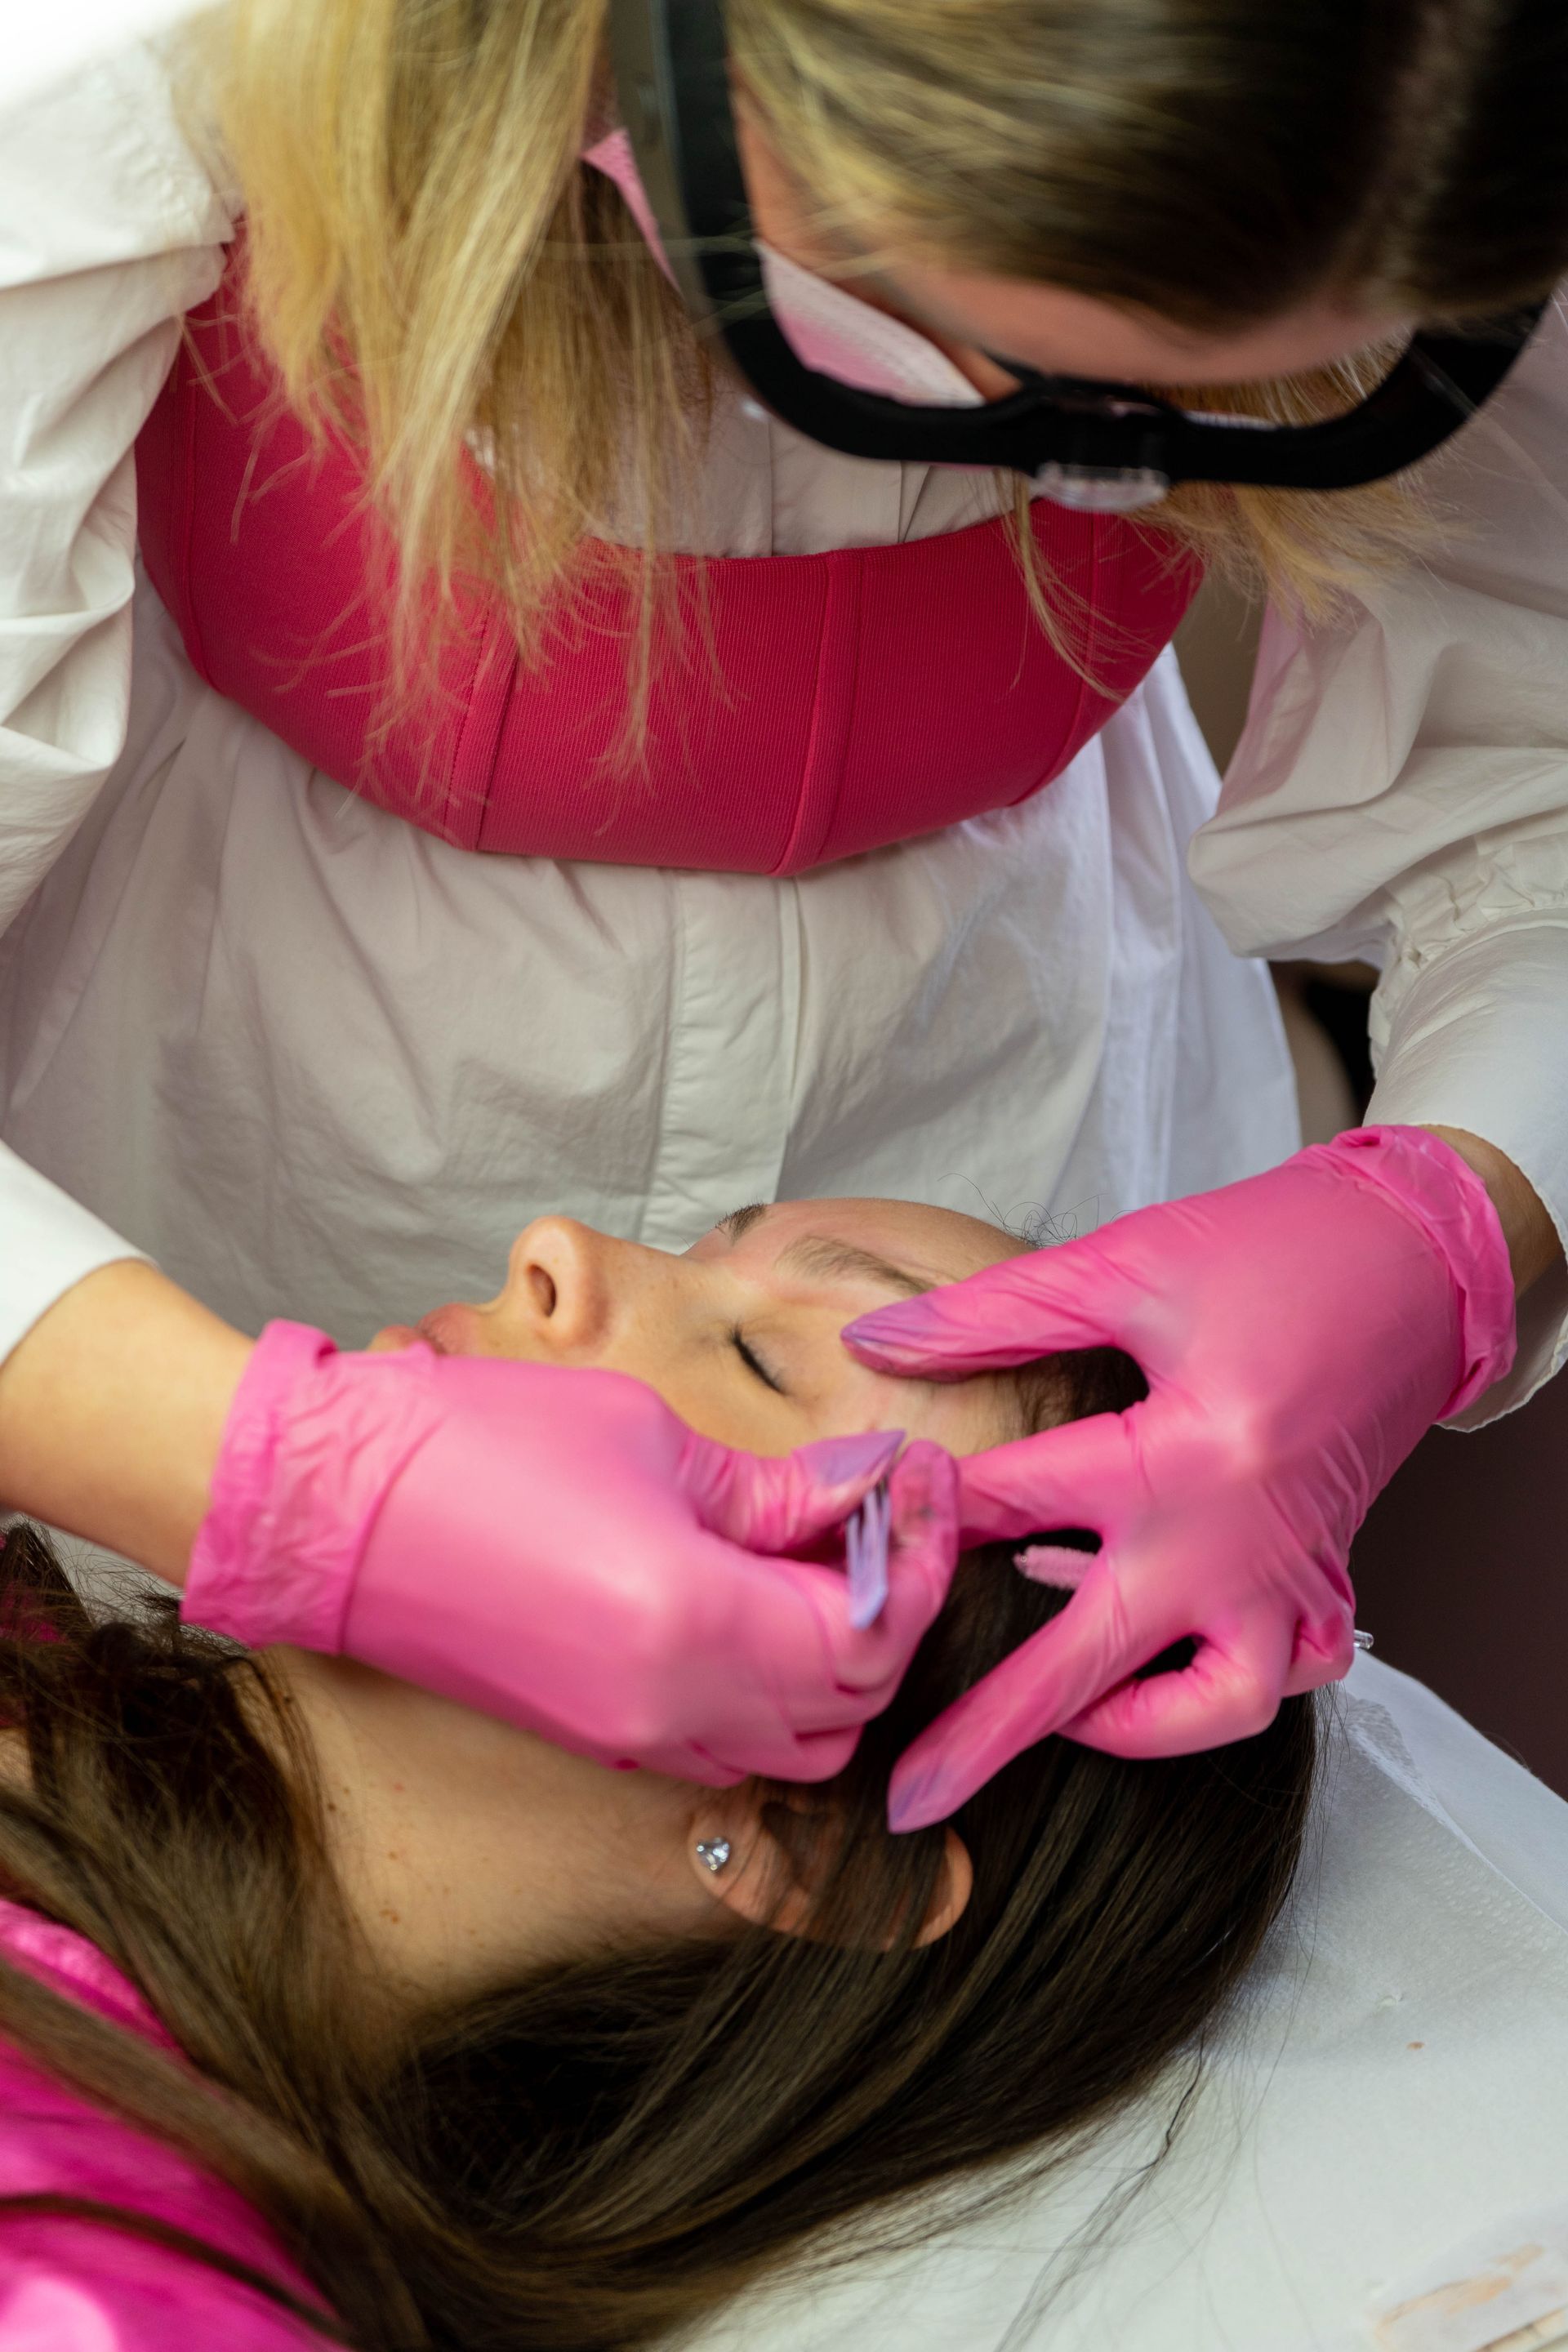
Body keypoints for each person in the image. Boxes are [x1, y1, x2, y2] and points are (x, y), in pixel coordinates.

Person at [1, 0, 1566, 1802]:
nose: (1097, 472)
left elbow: (1541, 771)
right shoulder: (136, 49)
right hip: (198, 1088)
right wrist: (251, 1473)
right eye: (968, 341)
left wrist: (1458, 1220)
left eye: (1222, 406)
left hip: (1024, 1031)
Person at [0, 1195, 1316, 2349]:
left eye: (760, 1358)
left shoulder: (113, 2294)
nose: (557, 1246)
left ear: (814, 1850)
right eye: (705, 1248)